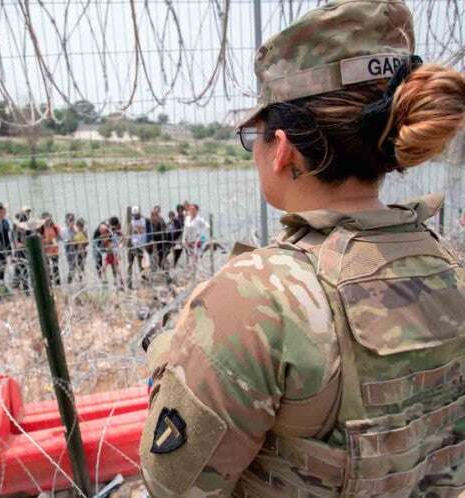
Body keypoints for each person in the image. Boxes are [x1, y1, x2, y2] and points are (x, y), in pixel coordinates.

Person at [140, 1, 465, 497]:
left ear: (283, 149)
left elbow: (171, 486)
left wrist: (170, 351)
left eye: (254, 134)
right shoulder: (454, 269)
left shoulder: (255, 300)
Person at [11, 208, 34, 295]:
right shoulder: (14, 231)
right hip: (19, 256)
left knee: (24, 275)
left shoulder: (28, 231)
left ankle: (26, 293)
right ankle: (24, 293)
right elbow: (17, 245)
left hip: (26, 255)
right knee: (19, 276)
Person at [127, 206, 150, 288]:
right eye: (134, 214)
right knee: (130, 265)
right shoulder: (131, 222)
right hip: (132, 246)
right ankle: (129, 284)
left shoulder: (145, 221)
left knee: (142, 265)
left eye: (136, 214)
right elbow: (129, 234)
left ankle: (144, 282)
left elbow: (148, 231)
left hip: (141, 246)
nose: (135, 216)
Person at [181, 203, 209, 271]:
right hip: (188, 241)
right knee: (190, 257)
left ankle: (196, 272)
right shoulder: (187, 218)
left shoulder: (199, 219)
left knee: (195, 258)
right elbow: (185, 229)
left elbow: (207, 226)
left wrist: (201, 235)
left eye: (193, 209)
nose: (191, 210)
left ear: (197, 210)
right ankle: (193, 272)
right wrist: (183, 239)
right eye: (190, 209)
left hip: (196, 241)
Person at [39, 212, 61, 286]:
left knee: (56, 268)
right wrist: (48, 241)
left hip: (54, 251)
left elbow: (58, 237)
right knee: (47, 268)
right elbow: (40, 240)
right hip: (45, 251)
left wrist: (55, 241)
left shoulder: (55, 227)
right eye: (46, 220)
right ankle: (49, 285)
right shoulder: (40, 229)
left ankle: (58, 285)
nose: (48, 221)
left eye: (49, 219)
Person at [61, 213, 79, 284]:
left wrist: (74, 230)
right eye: (70, 220)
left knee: (80, 266)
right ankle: (69, 282)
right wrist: (71, 241)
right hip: (69, 250)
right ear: (66, 221)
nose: (72, 221)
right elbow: (65, 240)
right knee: (72, 267)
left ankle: (79, 282)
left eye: (73, 220)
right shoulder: (63, 229)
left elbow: (79, 237)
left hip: (77, 249)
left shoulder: (75, 228)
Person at [149, 208, 168, 272]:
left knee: (161, 256)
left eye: (157, 214)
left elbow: (165, 228)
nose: (156, 216)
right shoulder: (150, 222)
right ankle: (154, 270)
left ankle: (162, 268)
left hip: (161, 241)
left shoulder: (161, 220)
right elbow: (150, 232)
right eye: (154, 215)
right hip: (153, 242)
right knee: (154, 257)